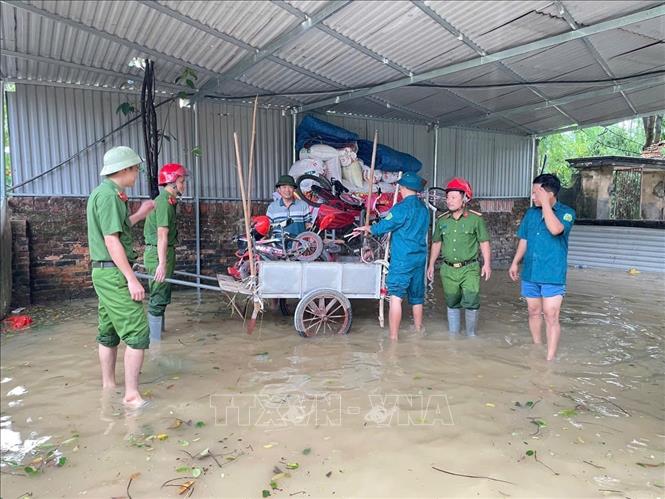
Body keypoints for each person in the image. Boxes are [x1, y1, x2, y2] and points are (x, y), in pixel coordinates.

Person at [86, 146, 155, 408]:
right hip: (114, 273)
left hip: (104, 272)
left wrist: (141, 213)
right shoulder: (110, 197)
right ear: (124, 169)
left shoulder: (104, 193)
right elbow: (111, 239)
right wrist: (131, 279)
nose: (137, 174)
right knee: (138, 331)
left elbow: (119, 227)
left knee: (109, 330)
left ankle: (109, 386)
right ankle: (132, 395)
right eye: (135, 169)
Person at [354, 172, 430, 341]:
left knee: (395, 296)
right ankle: (418, 330)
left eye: (400, 187)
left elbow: (384, 226)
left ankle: (393, 338)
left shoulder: (401, 208)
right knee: (417, 296)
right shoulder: (424, 209)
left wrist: (368, 228)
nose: (400, 190)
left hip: (403, 258)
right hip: (419, 257)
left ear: (403, 188)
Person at [509, 173, 576, 361]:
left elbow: (556, 230)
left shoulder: (567, 212)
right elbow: (524, 239)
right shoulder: (531, 214)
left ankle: (550, 358)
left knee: (551, 315)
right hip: (531, 272)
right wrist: (515, 262)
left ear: (549, 193)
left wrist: (546, 202)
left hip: (553, 273)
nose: (532, 197)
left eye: (535, 193)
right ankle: (537, 347)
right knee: (533, 312)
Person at [427, 178, 491, 337]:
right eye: (448, 197)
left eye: (454, 197)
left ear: (465, 199)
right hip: (448, 269)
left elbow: (484, 242)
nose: (449, 201)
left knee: (471, 301)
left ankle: (471, 336)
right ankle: (454, 337)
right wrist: (431, 265)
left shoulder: (476, 220)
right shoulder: (442, 221)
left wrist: (487, 264)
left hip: (470, 268)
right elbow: (436, 243)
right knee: (451, 302)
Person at [143, 163, 188, 342]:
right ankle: (154, 344)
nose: (183, 185)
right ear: (172, 183)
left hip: (161, 253)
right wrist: (161, 264)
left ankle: (159, 336)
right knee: (158, 295)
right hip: (159, 254)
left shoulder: (166, 201)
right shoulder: (164, 202)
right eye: (182, 181)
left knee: (161, 294)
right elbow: (162, 235)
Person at [266, 174, 312, 239]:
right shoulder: (272, 207)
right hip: (279, 247)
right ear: (279, 189)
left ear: (294, 189)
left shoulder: (303, 205)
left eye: (290, 187)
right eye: (284, 187)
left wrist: (311, 238)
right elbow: (268, 228)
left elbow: (308, 225)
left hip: (299, 246)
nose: (287, 190)